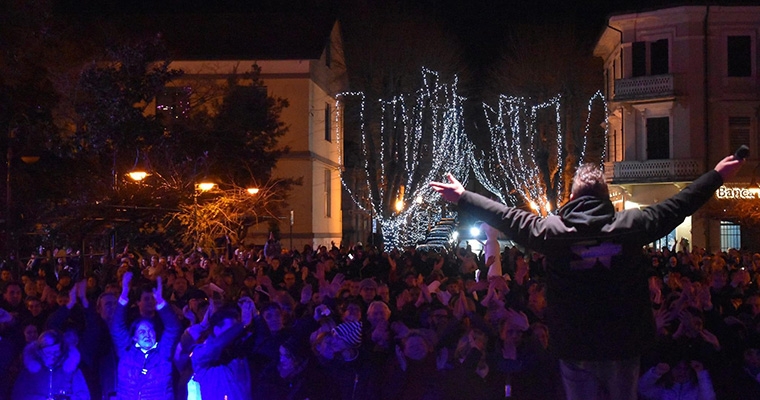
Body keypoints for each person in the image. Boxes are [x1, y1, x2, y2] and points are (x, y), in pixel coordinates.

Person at [430, 154, 743, 400]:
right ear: (605, 194)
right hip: (623, 343)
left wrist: (463, 196)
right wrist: (716, 176)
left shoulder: (552, 231)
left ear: (572, 195)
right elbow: (679, 205)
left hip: (575, 344)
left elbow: (506, 217)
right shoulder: (631, 224)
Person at [109, 272, 181, 400]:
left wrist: (160, 301)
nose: (147, 335)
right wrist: (124, 293)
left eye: (150, 331)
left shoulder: (163, 353)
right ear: (135, 337)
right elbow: (117, 328)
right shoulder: (126, 352)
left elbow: (173, 328)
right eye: (142, 332)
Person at [12, 329, 90, 400]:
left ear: (62, 350)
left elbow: (84, 396)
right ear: (40, 352)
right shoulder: (30, 370)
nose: (53, 356)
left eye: (56, 352)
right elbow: (18, 395)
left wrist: (66, 398)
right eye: (48, 353)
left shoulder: (71, 368)